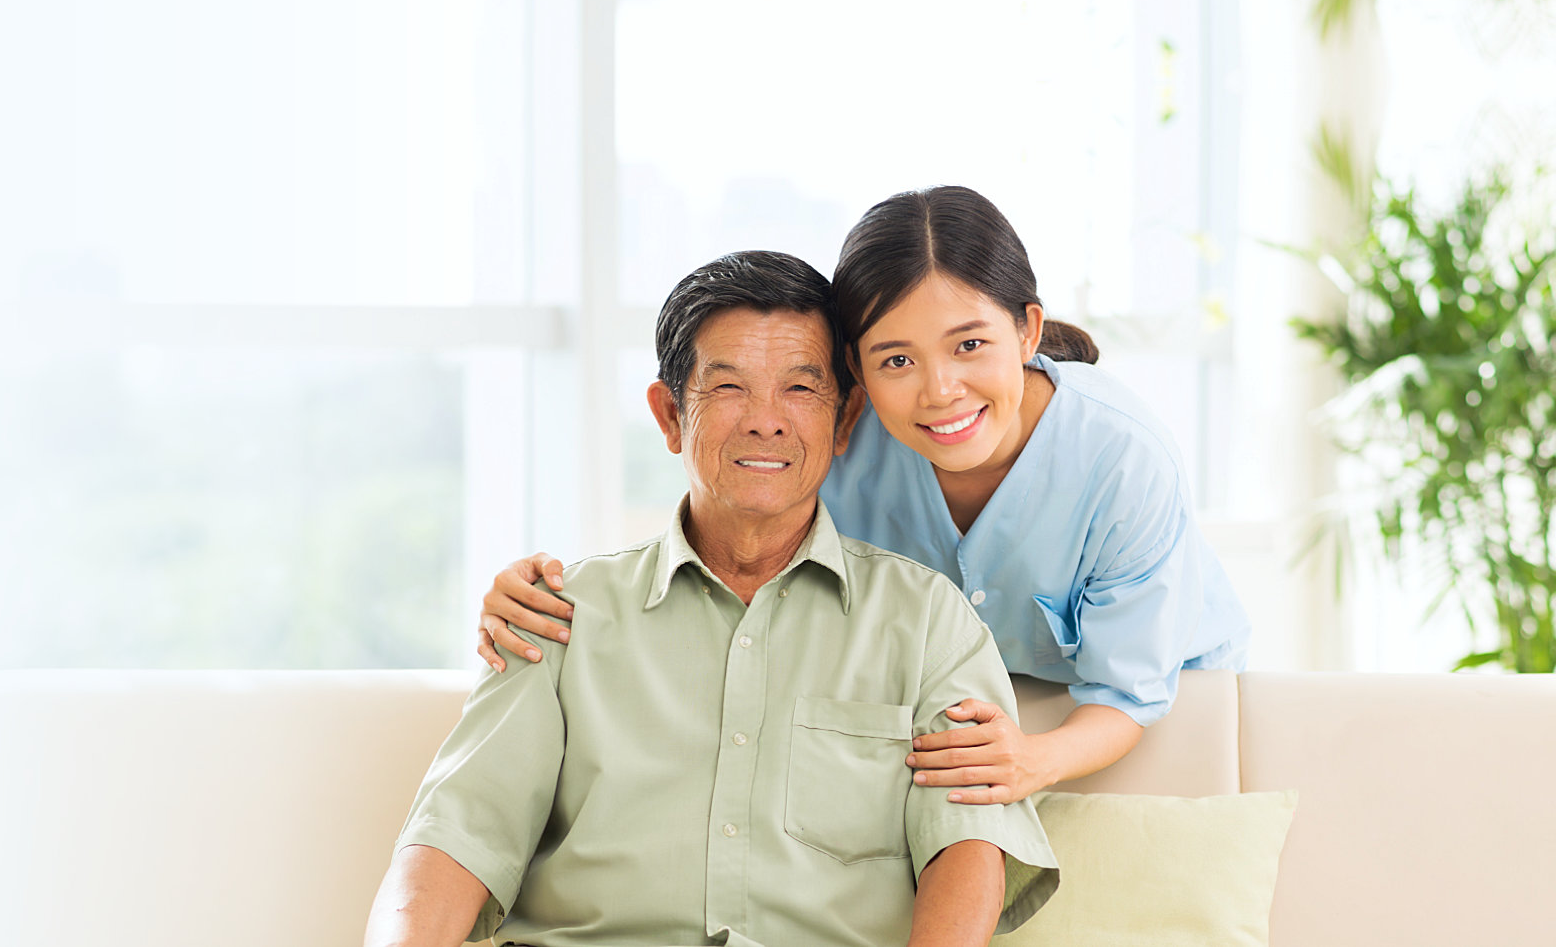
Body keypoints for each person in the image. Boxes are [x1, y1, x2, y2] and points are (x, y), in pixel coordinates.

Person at [366, 251, 1056, 947]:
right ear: (670, 415)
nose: (765, 421)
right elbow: (457, 834)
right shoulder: (555, 614)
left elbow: (967, 844)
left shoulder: (929, 620)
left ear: (844, 419)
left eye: (799, 389)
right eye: (728, 389)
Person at [478, 186, 1250, 807]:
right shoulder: (841, 436)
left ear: (1027, 330)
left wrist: (1033, 760)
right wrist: (542, 595)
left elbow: (1128, 690)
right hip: (954, 703)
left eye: (970, 344)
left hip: (1145, 707)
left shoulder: (1120, 457)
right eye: (895, 359)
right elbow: (727, 524)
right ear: (856, 372)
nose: (940, 391)